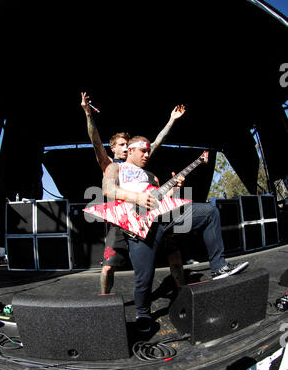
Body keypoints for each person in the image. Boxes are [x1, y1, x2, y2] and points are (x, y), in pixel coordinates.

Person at [102, 137, 249, 332]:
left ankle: (219, 267)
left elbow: (162, 198)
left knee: (209, 212)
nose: (147, 155)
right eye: (143, 151)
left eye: (148, 151)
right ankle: (143, 314)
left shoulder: (151, 176)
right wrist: (136, 197)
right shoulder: (115, 168)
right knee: (144, 277)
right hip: (138, 225)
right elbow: (107, 189)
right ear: (130, 150)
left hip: (164, 218)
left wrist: (176, 189)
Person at [81, 92, 186, 293]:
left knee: (174, 252)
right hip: (121, 221)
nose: (126, 147)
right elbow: (95, 140)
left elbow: (155, 143)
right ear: (112, 148)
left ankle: (182, 290)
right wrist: (88, 113)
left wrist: (171, 120)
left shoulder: (138, 167)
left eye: (127, 145)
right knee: (108, 267)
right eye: (121, 145)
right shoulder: (110, 164)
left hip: (146, 216)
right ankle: (104, 301)